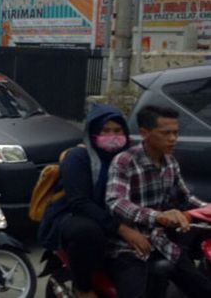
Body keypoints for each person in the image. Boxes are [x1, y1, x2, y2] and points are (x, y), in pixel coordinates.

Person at [38, 104, 146, 298]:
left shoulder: (131, 158)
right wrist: (121, 228)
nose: (112, 135)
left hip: (117, 216)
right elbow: (79, 202)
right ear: (93, 133)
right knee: (87, 231)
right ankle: (83, 288)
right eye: (105, 130)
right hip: (76, 217)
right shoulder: (79, 158)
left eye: (117, 130)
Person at [106, 105, 211, 298]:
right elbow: (115, 201)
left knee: (202, 288)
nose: (173, 138)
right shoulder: (125, 161)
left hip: (160, 241)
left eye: (175, 133)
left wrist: (207, 210)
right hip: (127, 247)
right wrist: (158, 216)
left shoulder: (170, 162)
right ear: (145, 133)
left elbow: (186, 198)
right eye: (166, 133)